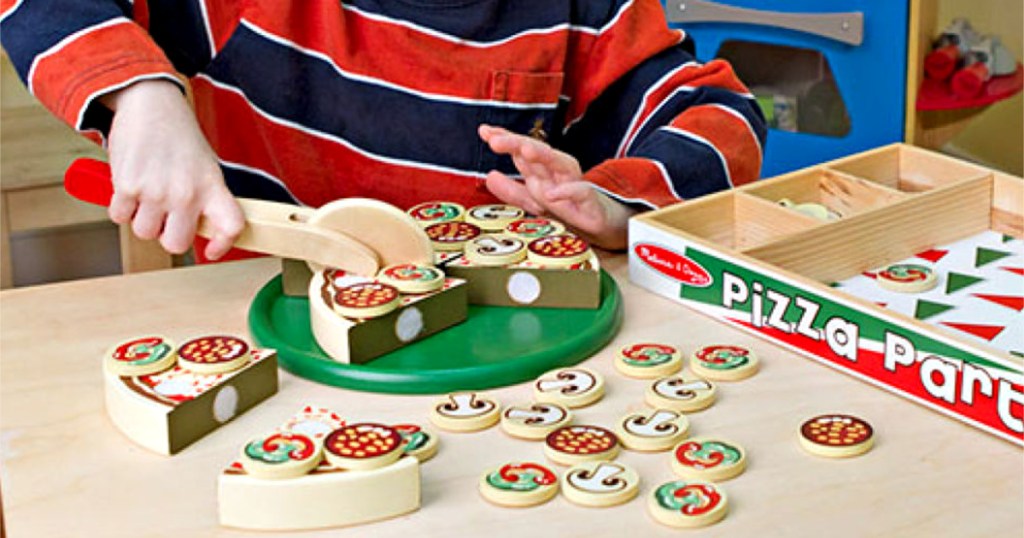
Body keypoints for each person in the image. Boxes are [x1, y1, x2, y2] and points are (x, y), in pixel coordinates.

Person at [0, 0, 765, 261]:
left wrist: (614, 199)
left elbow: (722, 116)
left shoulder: (582, 11)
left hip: (495, 342)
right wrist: (141, 97)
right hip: (262, 326)